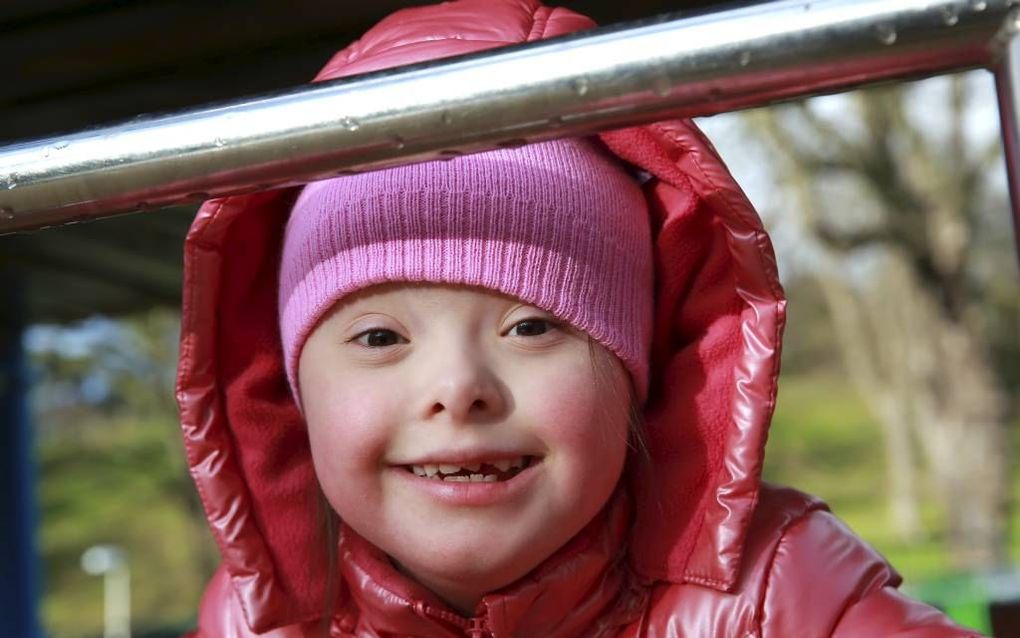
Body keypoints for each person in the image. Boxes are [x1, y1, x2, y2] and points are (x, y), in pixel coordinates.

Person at [176, 1, 983, 636]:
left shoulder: (777, 591)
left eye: (532, 326)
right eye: (380, 337)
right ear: (290, 400)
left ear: (637, 375)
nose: (458, 388)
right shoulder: (255, 620)